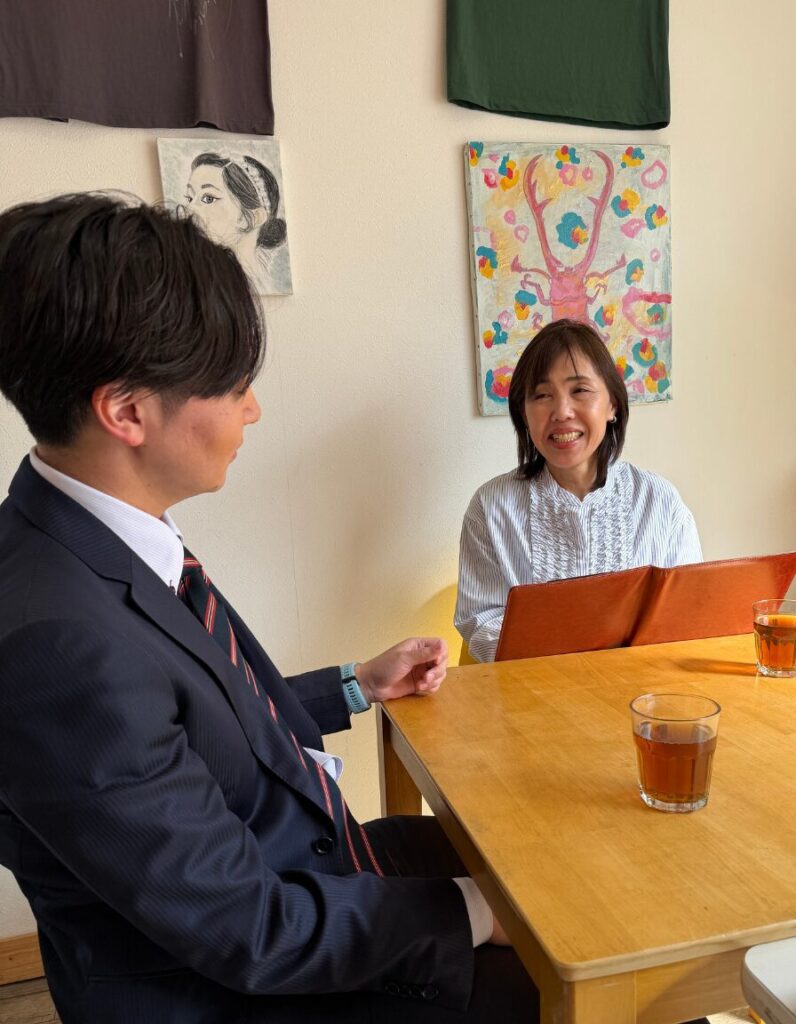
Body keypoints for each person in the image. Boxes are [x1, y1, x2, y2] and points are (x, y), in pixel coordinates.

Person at [0, 193, 537, 1024]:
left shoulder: (88, 537)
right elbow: (249, 931)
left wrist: (353, 684)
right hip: (237, 982)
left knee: (528, 856)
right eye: (232, 385)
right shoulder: (57, 644)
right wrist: (474, 914)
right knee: (578, 971)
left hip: (290, 873)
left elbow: (193, 720)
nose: (252, 408)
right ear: (126, 411)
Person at [455, 318, 703, 663]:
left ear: (612, 404)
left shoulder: (660, 502)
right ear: (523, 413)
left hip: (641, 689)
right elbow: (481, 620)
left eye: (580, 390)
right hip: (530, 689)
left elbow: (687, 615)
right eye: (542, 395)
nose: (561, 412)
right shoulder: (491, 507)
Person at [184, 150, 291, 293]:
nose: (189, 208)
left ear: (252, 218)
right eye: (189, 198)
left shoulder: (259, 285)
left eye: (208, 198)